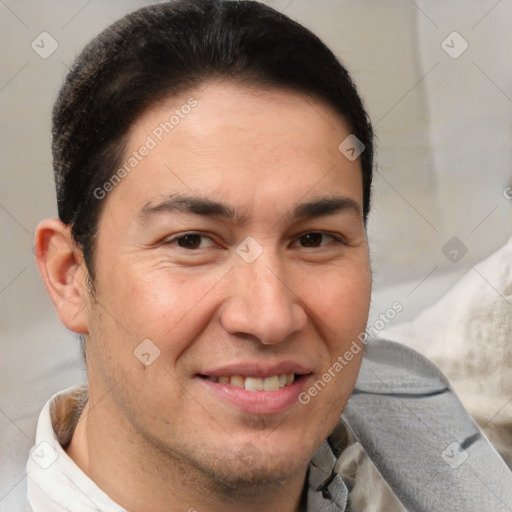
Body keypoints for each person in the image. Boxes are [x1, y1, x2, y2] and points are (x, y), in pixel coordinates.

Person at [27, 1, 512, 511]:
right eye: (192, 241)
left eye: (313, 239)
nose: (271, 318)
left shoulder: (406, 400)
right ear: (70, 276)